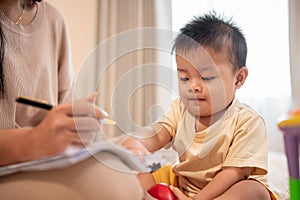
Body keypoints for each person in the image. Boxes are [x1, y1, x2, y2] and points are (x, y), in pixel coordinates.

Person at [122, 12, 278, 200]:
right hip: (184, 186)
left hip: (225, 190)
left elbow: (233, 173)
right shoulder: (180, 110)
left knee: (253, 190)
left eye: (206, 77)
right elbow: (157, 133)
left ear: (238, 78)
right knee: (138, 173)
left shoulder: (247, 121)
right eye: (185, 78)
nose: (193, 86)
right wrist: (137, 143)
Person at [0, 0, 144, 199]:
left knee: (130, 155)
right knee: (116, 188)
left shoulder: (53, 20)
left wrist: (74, 128)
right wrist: (33, 140)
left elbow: (64, 118)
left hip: (44, 161)